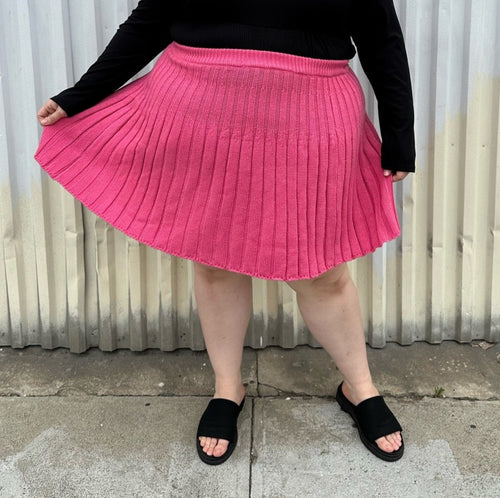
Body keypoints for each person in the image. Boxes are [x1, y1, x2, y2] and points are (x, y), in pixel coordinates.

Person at [35, 0, 415, 465]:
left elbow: (381, 36)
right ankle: (227, 389)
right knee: (215, 263)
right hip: (199, 115)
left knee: (323, 271)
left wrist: (400, 132)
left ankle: (360, 389)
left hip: (311, 121)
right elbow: (152, 19)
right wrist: (81, 94)